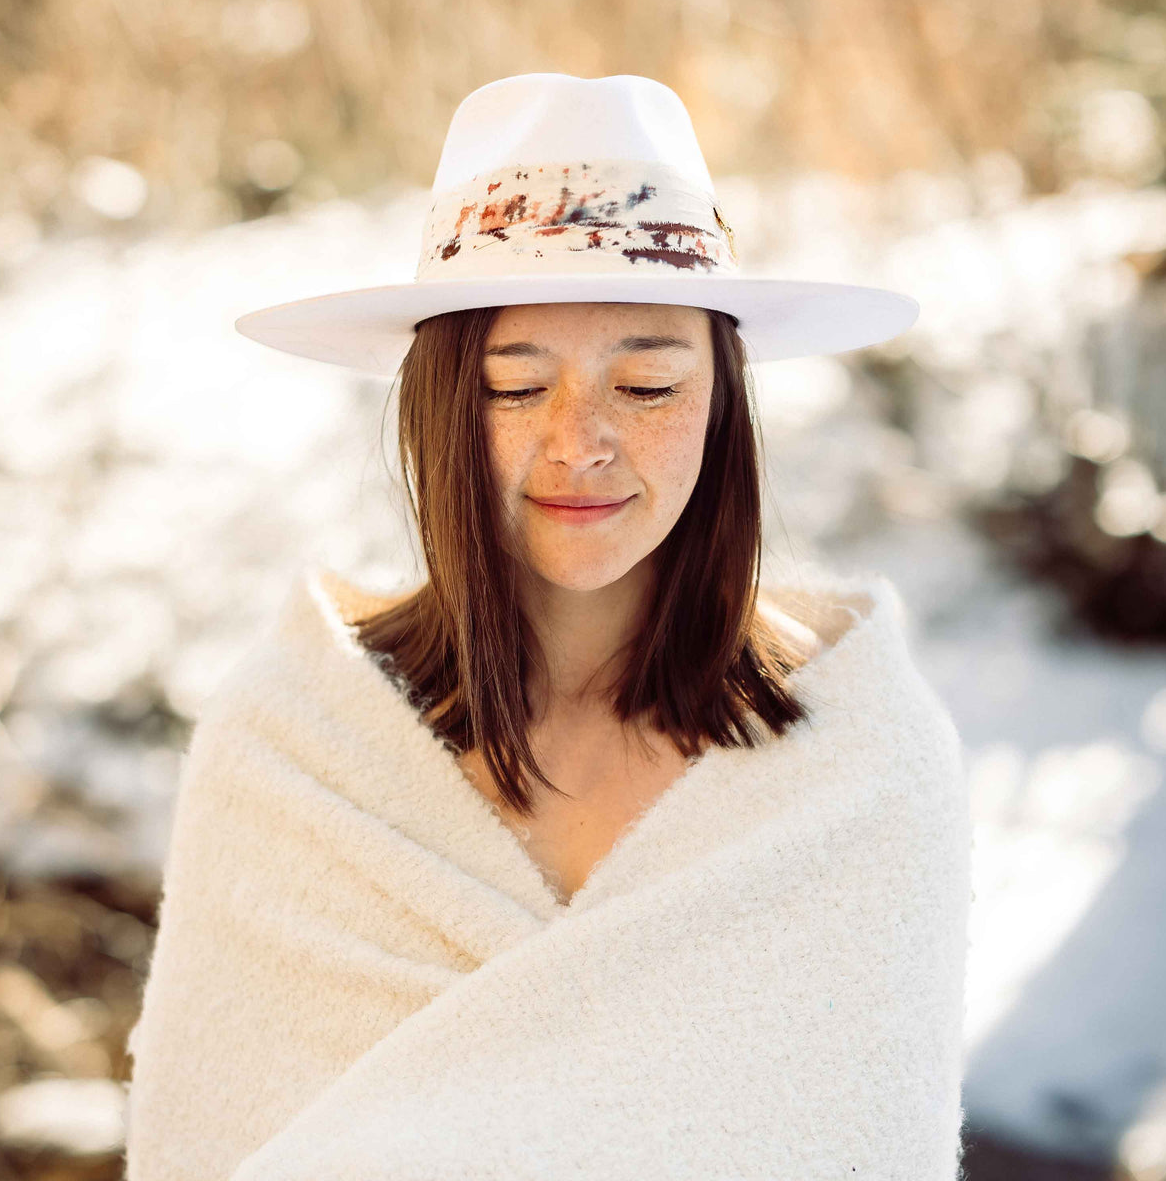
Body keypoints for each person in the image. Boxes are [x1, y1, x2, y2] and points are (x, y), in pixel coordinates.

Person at [124, 73, 970, 1181]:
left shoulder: (863, 763)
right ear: (439, 406)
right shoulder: (291, 748)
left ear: (723, 400)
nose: (580, 443)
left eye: (651, 386)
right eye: (516, 390)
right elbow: (204, 1144)